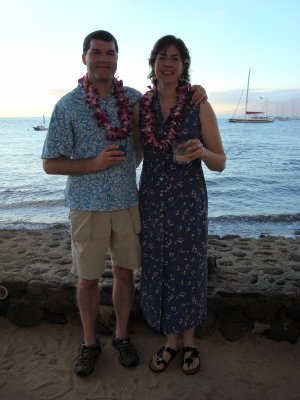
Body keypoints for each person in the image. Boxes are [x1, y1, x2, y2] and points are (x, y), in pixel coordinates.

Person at [41, 30, 207, 377]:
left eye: (110, 53)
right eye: (96, 52)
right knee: (87, 280)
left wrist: (195, 90)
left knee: (125, 274)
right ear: (84, 57)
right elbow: (50, 163)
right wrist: (92, 164)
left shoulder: (133, 101)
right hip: (86, 206)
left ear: (117, 59)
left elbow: (167, 99)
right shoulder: (67, 105)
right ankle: (89, 344)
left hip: (128, 203)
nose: (103, 58)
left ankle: (120, 336)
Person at [138, 35, 226, 375]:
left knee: (188, 268)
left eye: (175, 57)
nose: (168, 63)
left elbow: (221, 162)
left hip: (187, 203)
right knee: (158, 265)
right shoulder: (141, 106)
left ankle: (190, 341)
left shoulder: (197, 104)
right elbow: (134, 155)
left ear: (184, 65)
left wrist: (202, 152)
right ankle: (170, 341)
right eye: (162, 56)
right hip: (152, 202)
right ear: (153, 63)